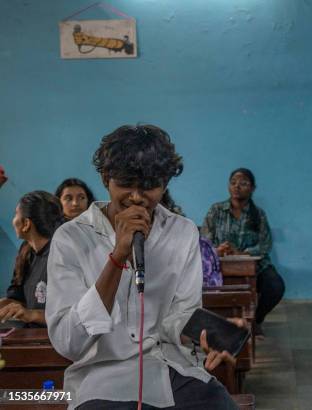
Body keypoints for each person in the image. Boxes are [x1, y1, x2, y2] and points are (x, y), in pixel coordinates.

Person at [46, 125, 239, 410]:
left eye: (149, 185)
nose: (137, 197)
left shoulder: (182, 232)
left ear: (165, 184)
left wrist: (208, 335)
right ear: (105, 178)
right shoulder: (71, 238)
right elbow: (69, 342)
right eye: (126, 183)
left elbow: (180, 315)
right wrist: (117, 256)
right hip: (103, 378)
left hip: (171, 368)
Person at [202, 168, 285, 334]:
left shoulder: (258, 215)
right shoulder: (216, 211)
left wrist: (241, 253)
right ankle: (221, 324)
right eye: (233, 183)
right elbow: (205, 240)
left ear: (253, 188)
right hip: (220, 265)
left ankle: (256, 320)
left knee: (275, 286)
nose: (237, 186)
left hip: (255, 266)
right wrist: (218, 249)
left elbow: (265, 244)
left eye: (243, 183)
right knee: (206, 288)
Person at [0, 191, 63, 327]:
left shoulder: (61, 256)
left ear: (26, 224)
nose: (13, 220)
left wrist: (31, 314)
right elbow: (18, 299)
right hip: (31, 339)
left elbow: (70, 316)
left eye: (16, 214)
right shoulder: (26, 251)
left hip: (56, 344)